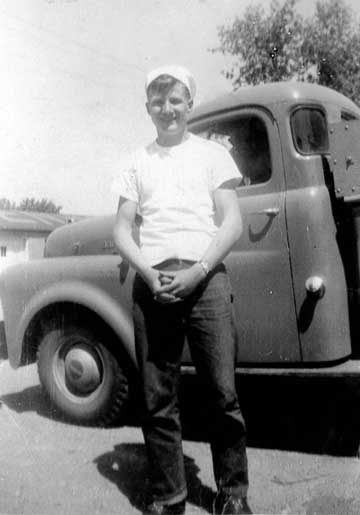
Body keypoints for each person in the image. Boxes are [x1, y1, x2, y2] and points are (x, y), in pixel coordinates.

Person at [112, 65, 252, 515]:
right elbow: (121, 229)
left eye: (176, 100)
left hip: (206, 279)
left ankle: (232, 495)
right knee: (157, 397)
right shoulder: (136, 161)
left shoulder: (213, 155)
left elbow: (231, 220)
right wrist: (150, 275)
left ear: (190, 104)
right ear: (147, 107)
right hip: (153, 283)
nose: (167, 109)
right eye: (158, 101)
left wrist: (199, 270)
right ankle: (169, 494)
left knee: (221, 393)